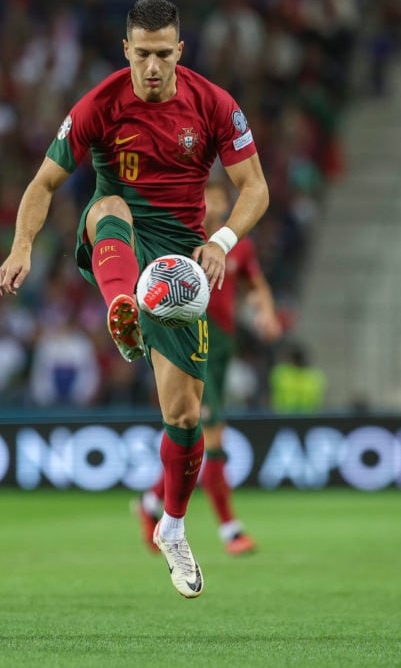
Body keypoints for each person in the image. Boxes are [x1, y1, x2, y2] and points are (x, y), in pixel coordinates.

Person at [0, 0, 269, 598]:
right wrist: (22, 247)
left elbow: (255, 188)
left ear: (180, 51)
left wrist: (222, 240)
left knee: (184, 415)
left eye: (162, 54)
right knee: (107, 203)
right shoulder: (99, 104)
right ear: (126, 50)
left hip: (180, 265)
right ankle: (122, 307)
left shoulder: (214, 104)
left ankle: (172, 525)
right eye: (141, 54)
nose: (151, 66)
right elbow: (43, 183)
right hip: (120, 240)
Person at [136, 179, 281, 556]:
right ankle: (231, 531)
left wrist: (265, 312)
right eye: (208, 198)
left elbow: (256, 285)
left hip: (223, 348)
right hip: (193, 344)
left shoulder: (237, 246)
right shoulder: (182, 243)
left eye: (219, 198)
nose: (214, 204)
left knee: (201, 436)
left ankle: (152, 502)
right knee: (212, 437)